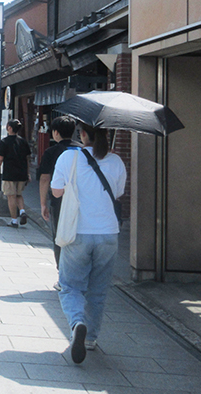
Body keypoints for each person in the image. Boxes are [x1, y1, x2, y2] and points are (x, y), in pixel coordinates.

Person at [51, 123, 126, 364]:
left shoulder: (68, 157)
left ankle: (77, 323)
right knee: (98, 288)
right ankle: (91, 338)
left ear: (82, 134)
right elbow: (117, 194)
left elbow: (55, 192)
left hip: (78, 232)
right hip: (108, 233)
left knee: (70, 285)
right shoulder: (116, 161)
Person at [38, 116, 80, 290]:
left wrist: (43, 204)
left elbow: (44, 179)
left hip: (59, 200)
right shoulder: (82, 150)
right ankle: (77, 274)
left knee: (60, 237)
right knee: (78, 236)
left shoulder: (52, 152)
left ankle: (63, 276)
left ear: (55, 132)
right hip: (80, 200)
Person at [0, 119, 31, 228]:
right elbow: (27, 158)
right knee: (19, 194)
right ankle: (22, 211)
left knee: (11, 196)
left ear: (9, 127)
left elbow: (0, 159)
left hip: (9, 172)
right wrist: (28, 173)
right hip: (22, 172)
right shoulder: (23, 141)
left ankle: (14, 220)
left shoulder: (4, 142)